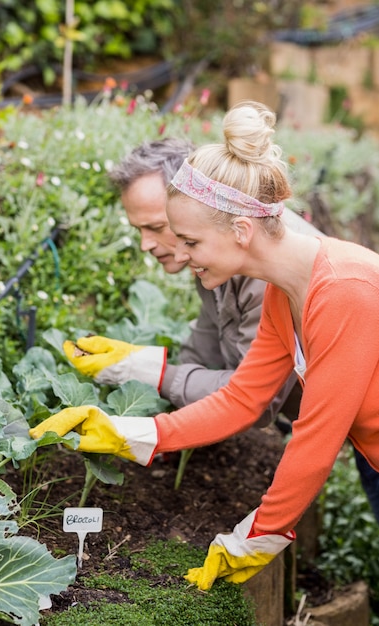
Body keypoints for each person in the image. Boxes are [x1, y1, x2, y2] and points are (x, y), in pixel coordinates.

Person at [30, 100, 379, 590]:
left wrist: (260, 535)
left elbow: (314, 440)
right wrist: (132, 432)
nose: (182, 254)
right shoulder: (286, 292)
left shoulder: (344, 289)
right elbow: (242, 399)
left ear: (240, 230)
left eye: (190, 242)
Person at [63, 137, 319, 426]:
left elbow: (257, 401)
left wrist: (152, 373)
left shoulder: (266, 271)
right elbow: (208, 341)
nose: (145, 244)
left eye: (156, 227)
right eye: (139, 230)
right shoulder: (213, 254)